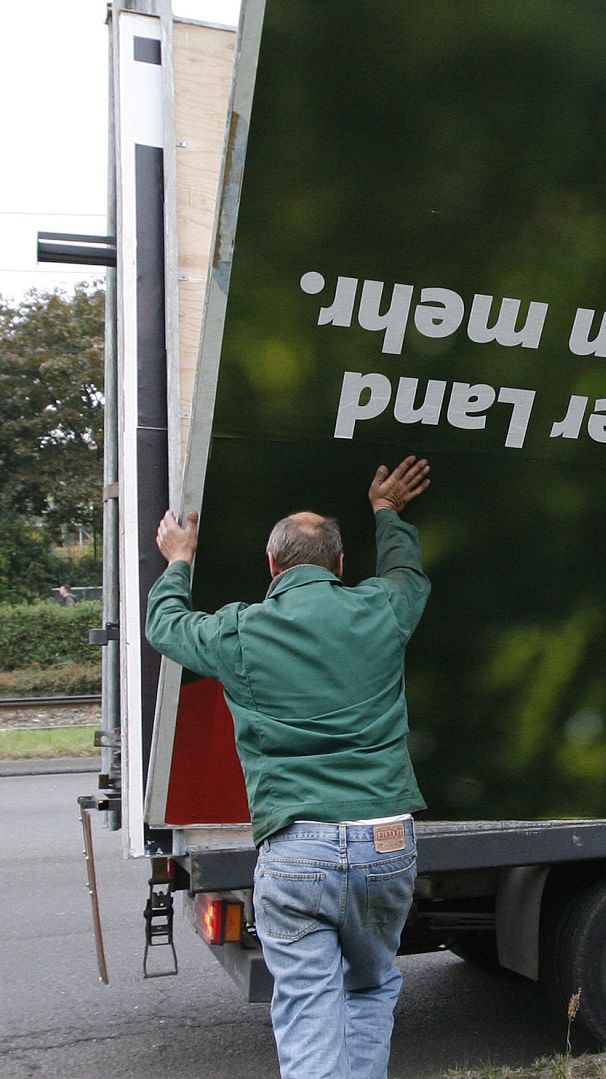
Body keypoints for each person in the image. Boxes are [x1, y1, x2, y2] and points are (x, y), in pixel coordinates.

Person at [145, 456, 433, 1078]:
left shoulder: (241, 631)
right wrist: (388, 514)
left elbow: (164, 625)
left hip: (298, 850)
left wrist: (179, 559)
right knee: (370, 989)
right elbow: (408, 575)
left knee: (308, 1005)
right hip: (387, 839)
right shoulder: (382, 609)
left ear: (272, 567)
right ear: (339, 565)